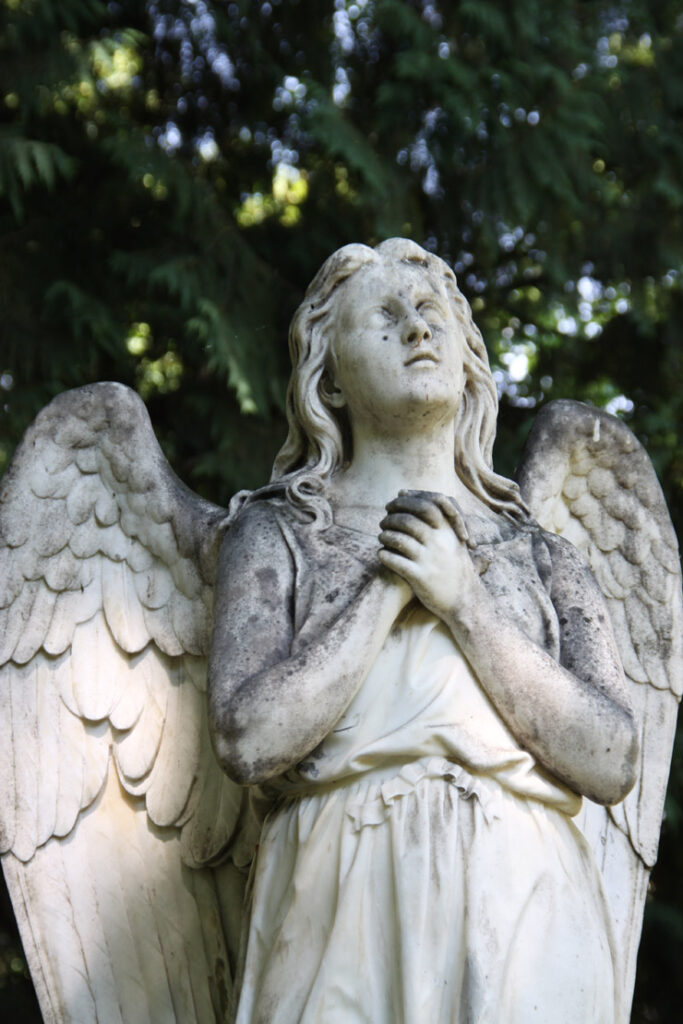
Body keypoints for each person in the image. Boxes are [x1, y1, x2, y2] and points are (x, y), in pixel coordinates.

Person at [208, 238, 638, 1023]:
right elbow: (247, 739)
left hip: (524, 897)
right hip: (341, 890)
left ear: (469, 358)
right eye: (385, 316)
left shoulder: (540, 554)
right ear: (328, 378)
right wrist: (387, 586)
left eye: (432, 311)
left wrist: (464, 601)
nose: (417, 329)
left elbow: (611, 759)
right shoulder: (279, 534)